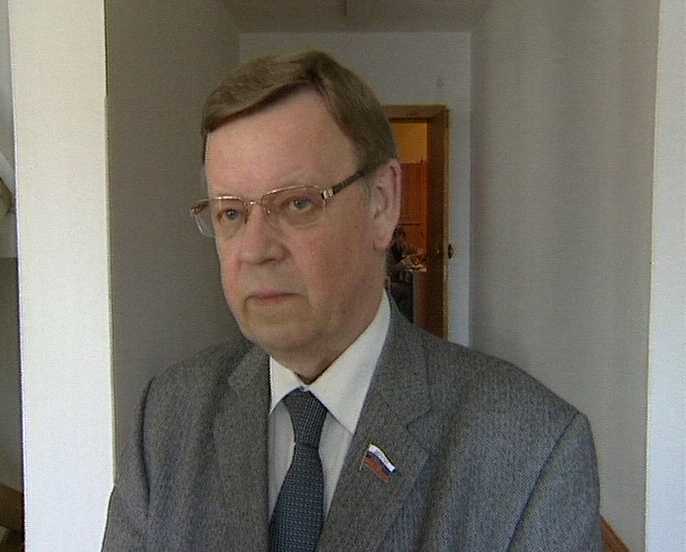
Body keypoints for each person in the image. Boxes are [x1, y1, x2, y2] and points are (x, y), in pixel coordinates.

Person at [102, 51, 602, 551]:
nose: (254, 250)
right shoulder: (168, 417)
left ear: (381, 203)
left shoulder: (531, 448)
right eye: (231, 213)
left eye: (297, 203)